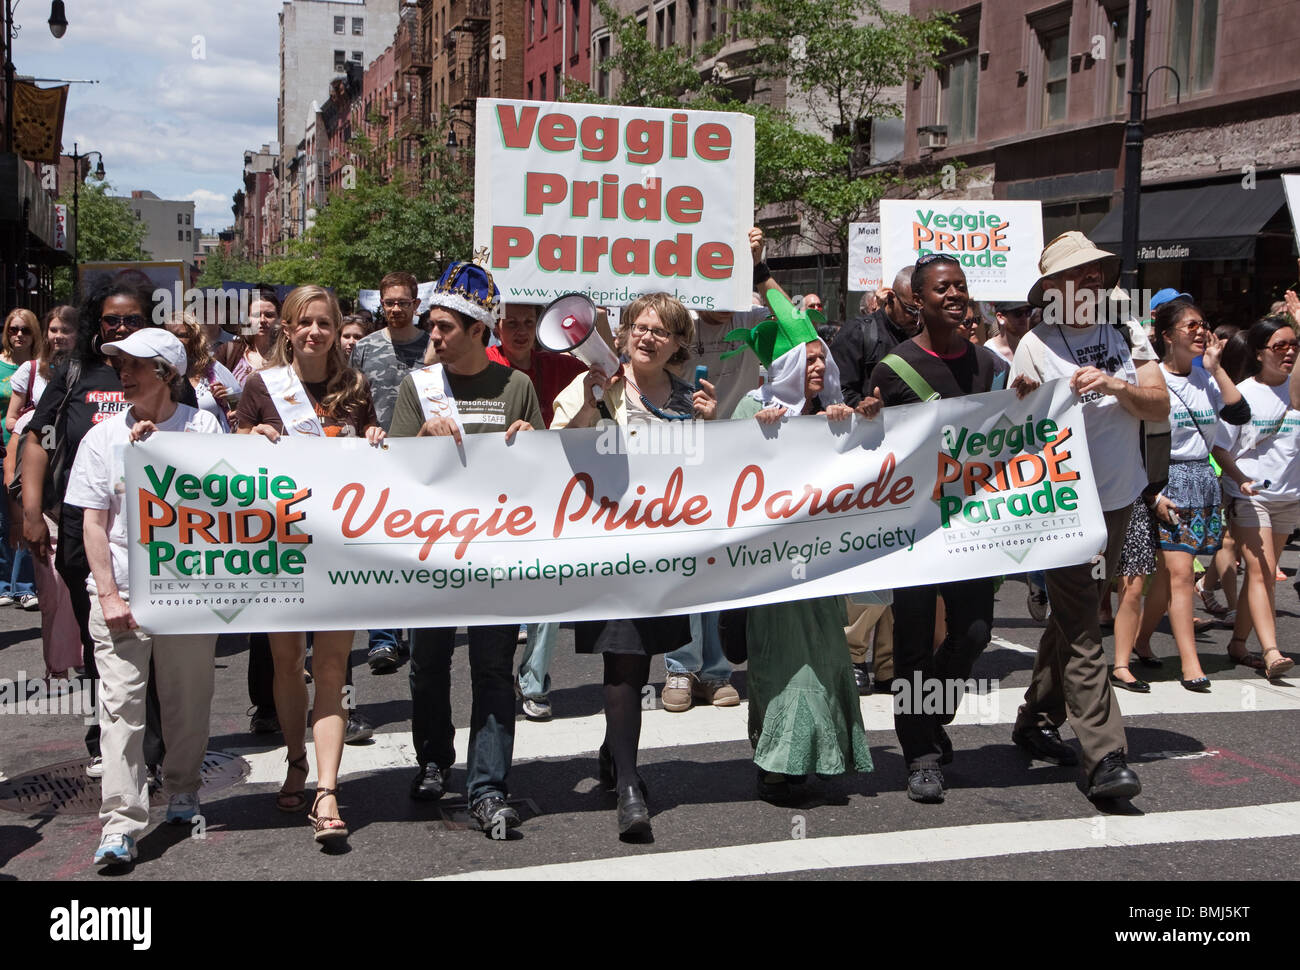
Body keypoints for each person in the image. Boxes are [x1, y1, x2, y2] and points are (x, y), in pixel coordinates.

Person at [1008, 231, 1169, 802]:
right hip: (1062, 508)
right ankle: (1105, 757)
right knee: (1083, 626)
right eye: (1079, 274)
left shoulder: (1128, 332)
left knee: (1076, 614)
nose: (1093, 281)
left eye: (1099, 271)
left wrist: (1115, 384)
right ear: (1052, 288)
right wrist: (1024, 397)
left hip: (1120, 497)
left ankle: (1034, 718)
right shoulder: (1035, 345)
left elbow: (1158, 403)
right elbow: (1013, 433)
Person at [552, 292, 716, 837]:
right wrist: (591, 401)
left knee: (641, 656)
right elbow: (556, 449)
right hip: (607, 549)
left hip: (660, 555)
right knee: (622, 659)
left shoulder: (689, 397)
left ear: (676, 345)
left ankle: (611, 750)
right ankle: (628, 785)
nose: (646, 337)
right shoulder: (594, 382)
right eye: (639, 326)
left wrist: (711, 428)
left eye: (660, 332)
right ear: (623, 332)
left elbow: (707, 475)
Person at [388, 262, 543, 835]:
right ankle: (433, 759)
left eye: (446, 328)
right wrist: (418, 443)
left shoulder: (516, 387)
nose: (433, 336)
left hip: (498, 557)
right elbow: (389, 479)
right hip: (431, 556)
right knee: (427, 667)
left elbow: (542, 476)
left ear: (481, 331)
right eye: (432, 326)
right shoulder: (417, 389)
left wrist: (535, 440)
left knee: (494, 671)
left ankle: (488, 786)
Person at [64, 328, 222, 868]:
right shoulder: (100, 438)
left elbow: (219, 498)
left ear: (168, 373)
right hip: (121, 595)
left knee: (187, 702)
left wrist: (164, 451)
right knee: (121, 712)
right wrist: (107, 594)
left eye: (136, 365)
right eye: (119, 365)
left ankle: (182, 788)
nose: (123, 374)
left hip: (189, 595)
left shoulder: (201, 425)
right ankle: (120, 824)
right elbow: (92, 522)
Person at [236, 285, 386, 844]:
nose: (315, 332)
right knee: (285, 661)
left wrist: (373, 437)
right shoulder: (262, 386)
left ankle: (327, 789)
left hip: (338, 548)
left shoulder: (355, 389)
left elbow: (374, 465)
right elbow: (224, 460)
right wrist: (251, 434)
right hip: (278, 544)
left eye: (324, 322)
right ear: (288, 329)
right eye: (305, 322)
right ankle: (296, 756)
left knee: (331, 667)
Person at [22, 277, 186, 780]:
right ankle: (106, 736)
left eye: (131, 320)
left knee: (155, 640)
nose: (119, 328)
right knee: (104, 635)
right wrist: (29, 511)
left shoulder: (164, 376)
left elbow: (203, 445)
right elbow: (37, 436)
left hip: (159, 530)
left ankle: (154, 748)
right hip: (85, 523)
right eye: (111, 320)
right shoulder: (75, 371)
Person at [726, 290, 873, 802]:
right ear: (786, 363)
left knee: (824, 653)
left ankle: (810, 754)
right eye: (808, 359)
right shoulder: (753, 406)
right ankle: (776, 764)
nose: (818, 365)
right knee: (785, 660)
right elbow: (722, 472)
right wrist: (754, 433)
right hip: (772, 562)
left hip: (823, 562)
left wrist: (854, 422)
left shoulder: (831, 410)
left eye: (821, 358)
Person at [869, 255, 1006, 803]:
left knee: (972, 632)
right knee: (911, 645)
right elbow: (871, 451)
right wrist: (863, 416)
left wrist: (1023, 398)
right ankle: (920, 754)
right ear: (918, 302)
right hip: (915, 529)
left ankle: (933, 708)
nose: (955, 295)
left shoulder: (993, 368)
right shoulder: (893, 369)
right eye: (942, 288)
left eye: (961, 286)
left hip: (974, 525)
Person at [1117, 297, 1251, 692]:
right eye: (1190, 325)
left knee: (1165, 580)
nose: (1200, 331)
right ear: (1166, 335)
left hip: (1201, 481)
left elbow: (1238, 414)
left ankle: (1142, 641)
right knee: (1178, 575)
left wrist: (1216, 368)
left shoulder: (1206, 377)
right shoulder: (1151, 378)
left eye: (1202, 324)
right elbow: (1136, 441)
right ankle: (1191, 664)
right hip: (1163, 480)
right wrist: (1152, 494)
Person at [485, 300, 585, 719]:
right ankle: (492, 678)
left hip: (547, 494)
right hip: (491, 497)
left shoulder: (558, 364)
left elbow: (608, 375)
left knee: (550, 586)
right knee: (499, 590)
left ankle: (534, 681)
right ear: (497, 327)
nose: (521, 331)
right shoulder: (484, 361)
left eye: (530, 323)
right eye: (512, 323)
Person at [349, 271, 429, 675]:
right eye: (389, 302)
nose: (396, 308)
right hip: (377, 463)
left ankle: (418, 632)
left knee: (419, 551)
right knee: (380, 550)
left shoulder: (434, 347)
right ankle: (382, 640)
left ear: (417, 304)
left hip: (425, 462)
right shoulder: (363, 348)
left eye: (403, 301)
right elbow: (349, 401)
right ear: (380, 304)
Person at [1211, 319, 1299, 680]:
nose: (1290, 351)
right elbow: (1221, 446)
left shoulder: (1296, 390)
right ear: (1260, 352)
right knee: (1262, 572)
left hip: (1289, 496)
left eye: (1294, 344)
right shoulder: (1244, 393)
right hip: (1250, 495)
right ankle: (1271, 650)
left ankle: (1238, 642)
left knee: (1259, 575)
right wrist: (1241, 479)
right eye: (1280, 346)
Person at [4, 305, 80, 677]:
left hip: (80, 497)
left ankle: (87, 658)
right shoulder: (32, 373)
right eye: (52, 329)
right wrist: (22, 510)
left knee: (82, 583)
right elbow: (16, 436)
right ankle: (59, 662)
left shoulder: (91, 376)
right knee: (51, 589)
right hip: (43, 496)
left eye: (65, 330)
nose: (57, 337)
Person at [0, 308, 40, 610]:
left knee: (25, 516)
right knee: (3, 522)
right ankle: (4, 583)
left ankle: (24, 585)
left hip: (27, 449)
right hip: (0, 448)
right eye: (13, 329)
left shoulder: (41, 368)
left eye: (25, 330)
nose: (18, 335)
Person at [165, 311, 242, 432]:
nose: (176, 341)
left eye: (181, 335)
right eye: (170, 336)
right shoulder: (154, 372)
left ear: (194, 339)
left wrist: (227, 398)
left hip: (211, 446)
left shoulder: (211, 368)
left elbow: (239, 405)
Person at [215, 289, 279, 386]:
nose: (262, 320)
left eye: (269, 315)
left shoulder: (289, 354)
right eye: (256, 315)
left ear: (279, 318)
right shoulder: (229, 351)